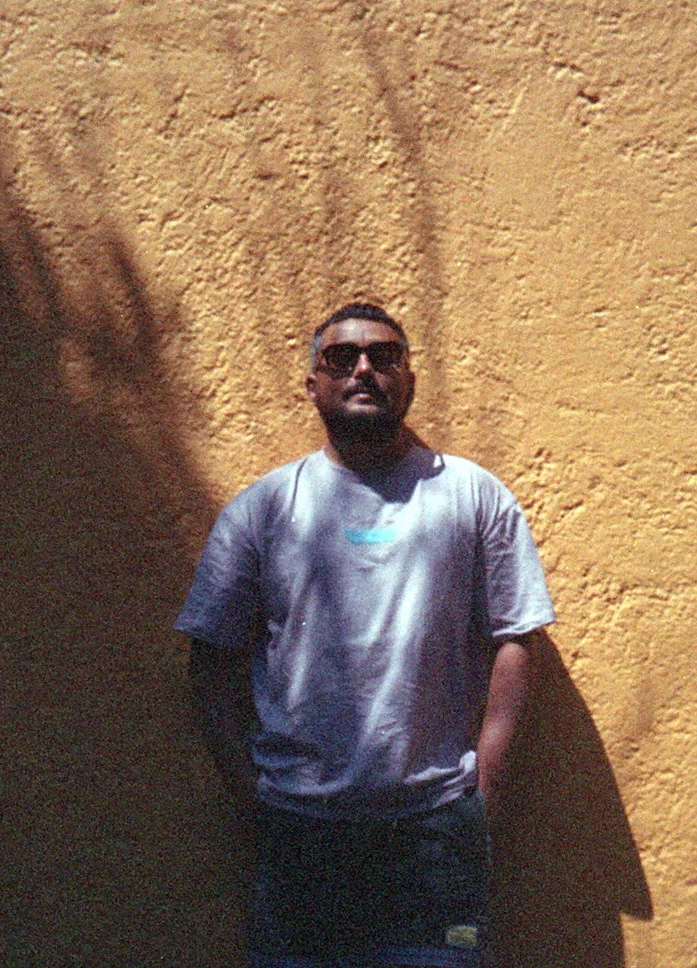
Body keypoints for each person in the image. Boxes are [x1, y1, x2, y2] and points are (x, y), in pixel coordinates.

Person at [175, 302, 555, 967]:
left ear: (409, 380)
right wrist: (252, 795)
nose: (363, 370)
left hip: (435, 830)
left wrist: (481, 798)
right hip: (299, 832)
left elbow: (517, 641)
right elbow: (210, 658)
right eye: (341, 357)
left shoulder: (474, 497)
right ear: (312, 384)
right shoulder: (264, 509)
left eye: (384, 356)